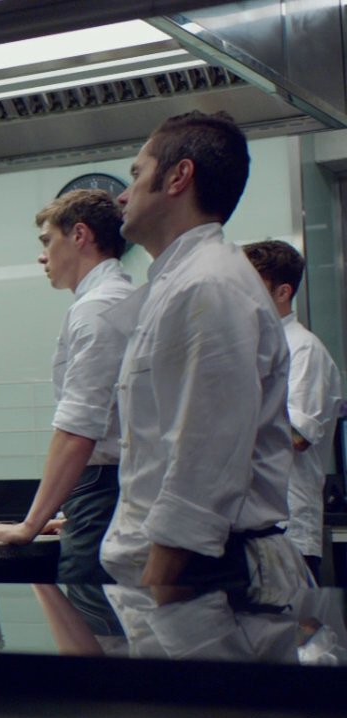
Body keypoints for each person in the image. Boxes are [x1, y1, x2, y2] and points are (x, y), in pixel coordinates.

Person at [103, 110, 306, 593]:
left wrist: (158, 587)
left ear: (179, 177)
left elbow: (204, 462)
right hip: (186, 570)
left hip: (205, 573)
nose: (123, 196)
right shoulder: (183, 281)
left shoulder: (209, 285)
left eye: (136, 174)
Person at [0, 190, 136, 596]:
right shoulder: (119, 298)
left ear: (80, 235)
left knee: (93, 619)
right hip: (108, 490)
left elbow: (79, 429)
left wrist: (28, 525)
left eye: (47, 241)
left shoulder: (98, 308)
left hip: (102, 488)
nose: (42, 257)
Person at [245, 239, 343, 580]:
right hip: (248, 523)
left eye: (252, 285)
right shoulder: (253, 346)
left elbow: (297, 437)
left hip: (289, 528)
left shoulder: (304, 349)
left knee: (289, 614)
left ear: (283, 292)